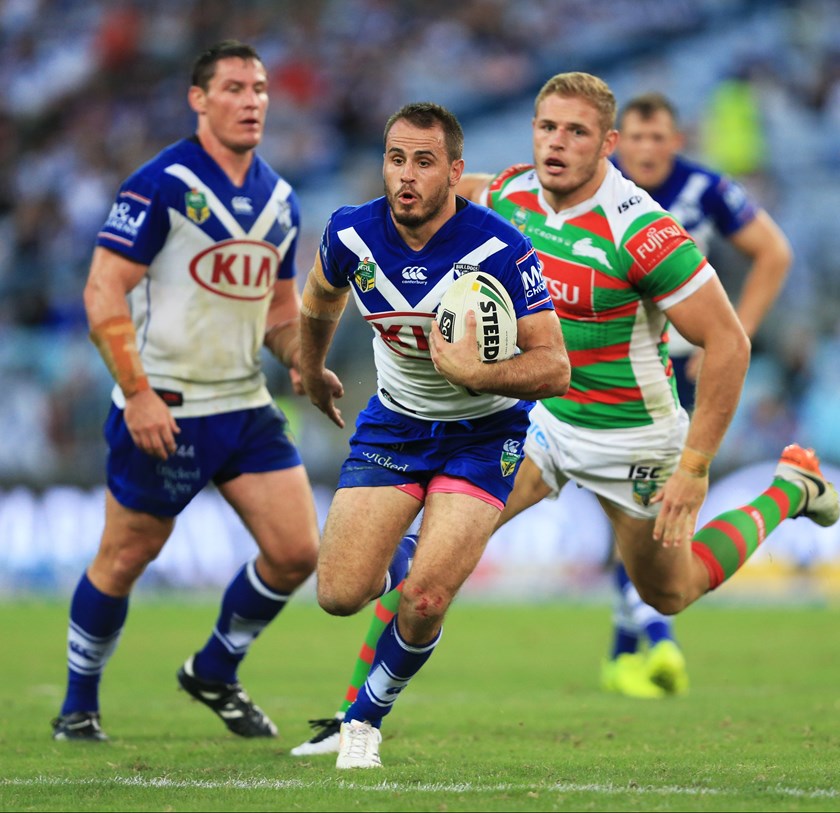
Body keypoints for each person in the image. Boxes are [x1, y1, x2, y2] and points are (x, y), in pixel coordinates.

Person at [291, 72, 839, 756]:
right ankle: (353, 719)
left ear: (607, 143)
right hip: (540, 424)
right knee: (420, 565)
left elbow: (727, 341)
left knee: (671, 592)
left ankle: (790, 489)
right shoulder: (509, 193)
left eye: (577, 132)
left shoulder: (640, 230)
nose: (557, 143)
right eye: (547, 127)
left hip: (633, 436)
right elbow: (432, 193)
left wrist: (696, 466)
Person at [50, 40, 325, 743]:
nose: (252, 100)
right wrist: (136, 393)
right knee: (127, 554)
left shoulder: (281, 200)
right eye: (233, 87)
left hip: (243, 404)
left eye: (260, 88)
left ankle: (212, 669)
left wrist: (305, 359)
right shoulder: (161, 183)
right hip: (164, 404)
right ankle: (77, 704)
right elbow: (102, 287)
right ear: (198, 100)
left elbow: (279, 311)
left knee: (298, 551)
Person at [297, 101, 570, 768]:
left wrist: (483, 372)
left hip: (483, 434)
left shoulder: (502, 249)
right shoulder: (350, 234)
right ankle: (421, 548)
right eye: (396, 160)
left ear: (455, 171)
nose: (406, 175)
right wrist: (310, 368)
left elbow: (555, 367)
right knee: (337, 594)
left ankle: (365, 718)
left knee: (425, 596)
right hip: (395, 424)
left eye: (424, 161)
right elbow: (319, 298)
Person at [588, 90, 795, 697]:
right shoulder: (594, 186)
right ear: (616, 140)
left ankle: (641, 640)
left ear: (677, 142)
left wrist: (732, 337)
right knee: (625, 505)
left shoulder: (704, 190)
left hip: (674, 374)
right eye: (636, 137)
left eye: (659, 138)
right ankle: (640, 640)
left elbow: (773, 253)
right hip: (605, 370)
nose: (647, 149)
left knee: (647, 506)